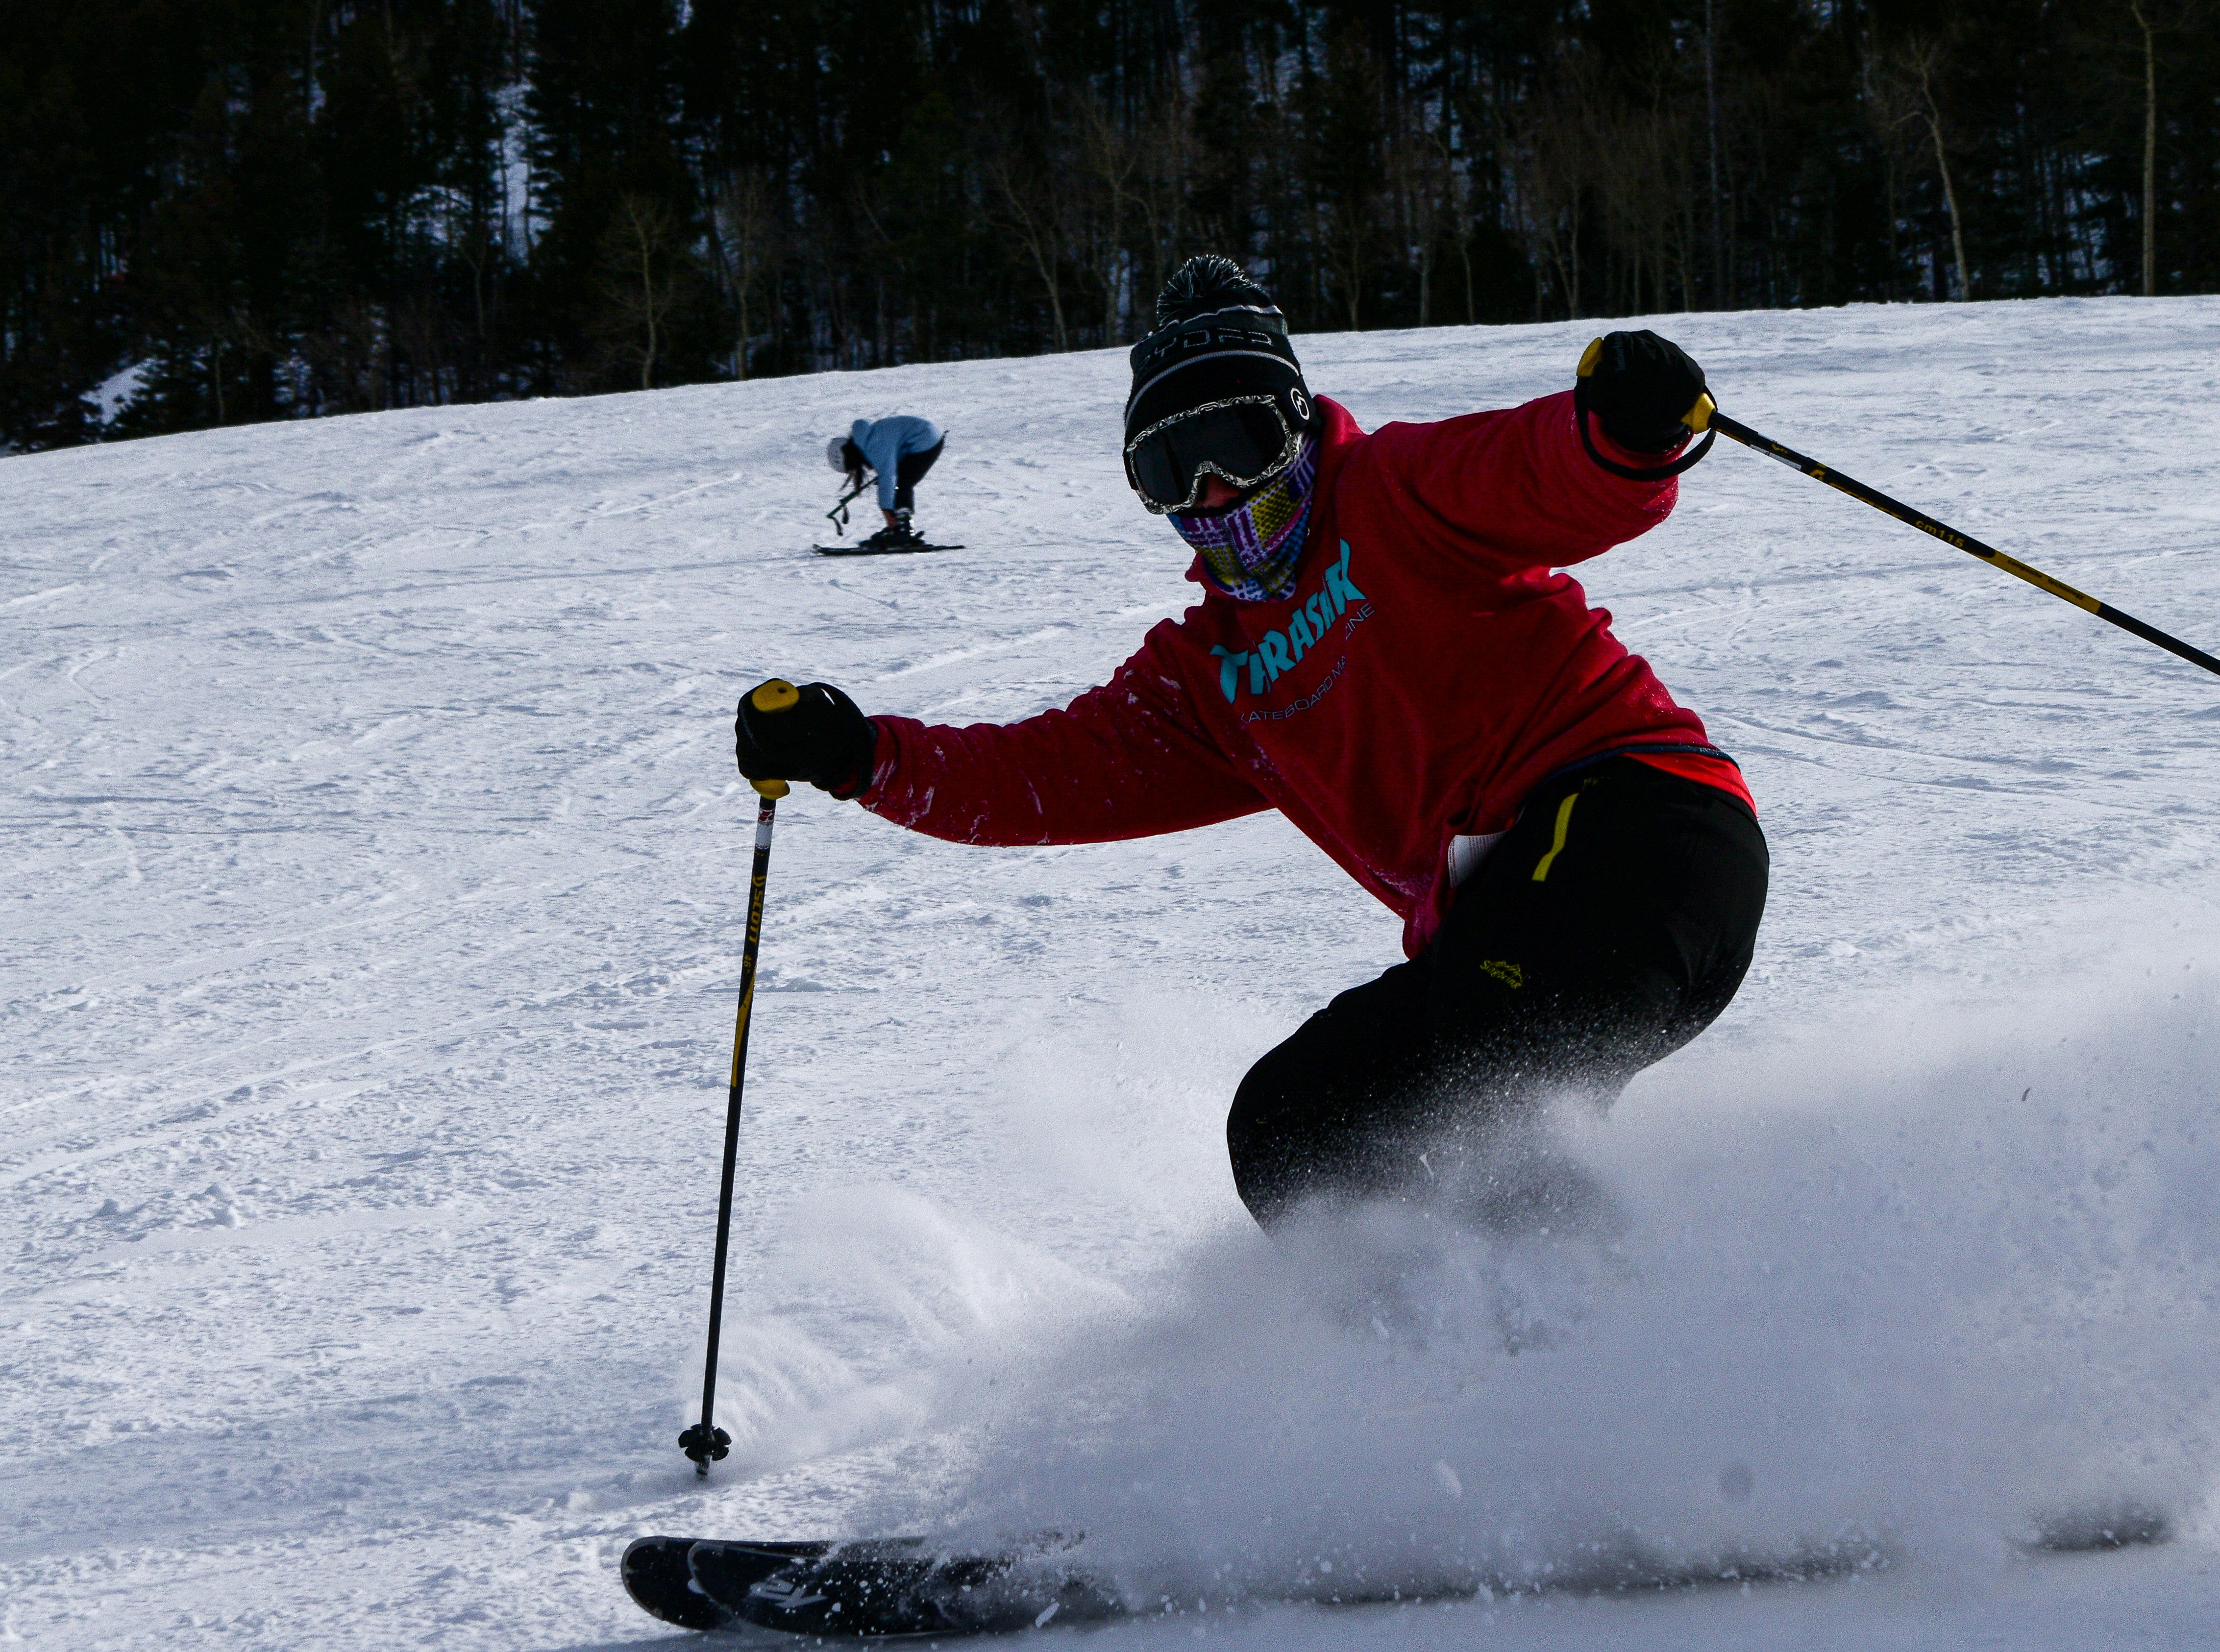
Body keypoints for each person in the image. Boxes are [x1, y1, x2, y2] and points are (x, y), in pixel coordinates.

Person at [739, 256, 1767, 1236]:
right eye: (1172, 469)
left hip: (1638, 831)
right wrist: (859, 754)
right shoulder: (1209, 677)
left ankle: (1612, 1333)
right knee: (1296, 1126)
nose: (1216, 492)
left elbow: (1537, 471)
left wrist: (1616, 433)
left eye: (1237, 441)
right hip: (1526, 920)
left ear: (1296, 423)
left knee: (1480, 1099)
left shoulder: (1394, 489)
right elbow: (1041, 775)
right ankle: (1476, 1364)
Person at [828, 416, 944, 549]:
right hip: (926, 436)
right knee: (900, 482)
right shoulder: (866, 441)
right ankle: (899, 527)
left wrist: (887, 510)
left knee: (902, 483)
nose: (861, 468)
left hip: (926, 440)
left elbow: (888, 478)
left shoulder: (873, 446)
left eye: (854, 466)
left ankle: (903, 531)